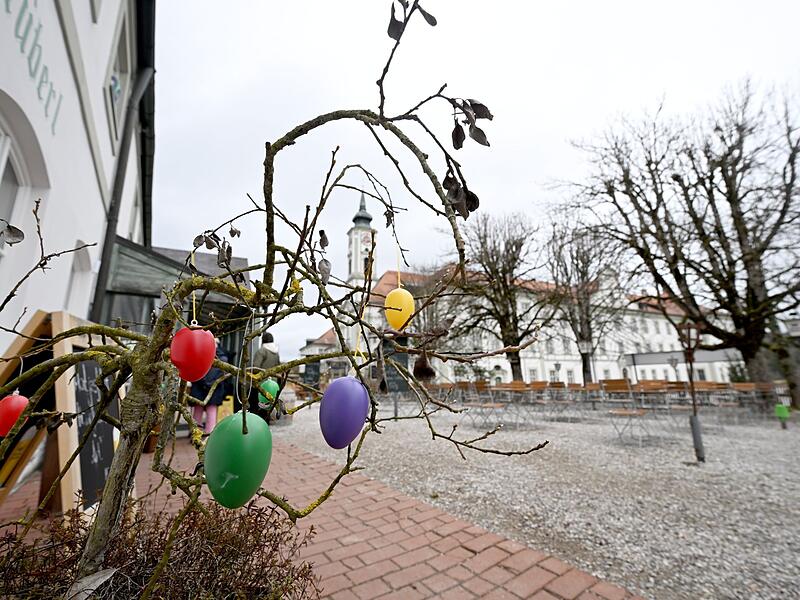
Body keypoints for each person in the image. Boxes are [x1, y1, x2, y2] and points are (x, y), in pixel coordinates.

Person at [190, 338, 231, 435]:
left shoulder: (200, 355)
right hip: (215, 388)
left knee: (198, 410)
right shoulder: (223, 359)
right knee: (211, 410)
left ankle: (195, 433)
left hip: (199, 386)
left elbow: (195, 372)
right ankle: (210, 433)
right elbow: (223, 375)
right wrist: (211, 383)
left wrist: (203, 382)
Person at [249, 332, 281, 421]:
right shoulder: (276, 353)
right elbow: (279, 368)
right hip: (273, 384)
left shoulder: (262, 351)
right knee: (267, 406)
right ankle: (265, 424)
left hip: (261, 384)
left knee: (257, 407)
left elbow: (255, 367)